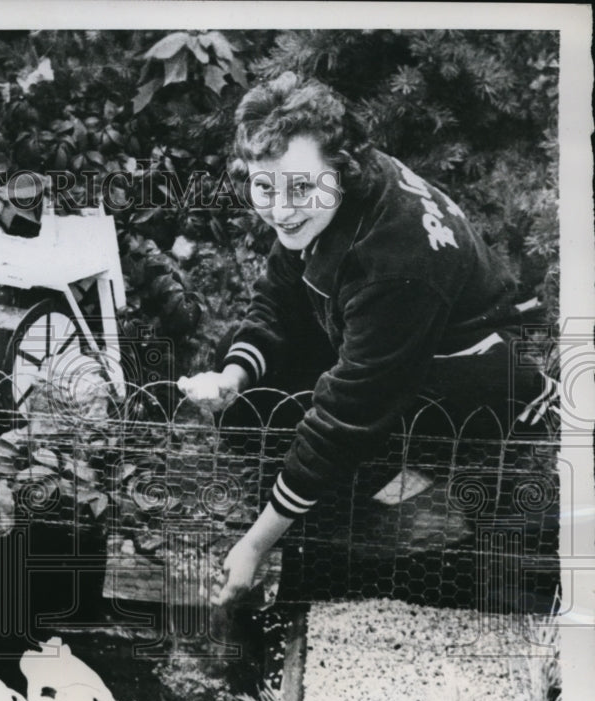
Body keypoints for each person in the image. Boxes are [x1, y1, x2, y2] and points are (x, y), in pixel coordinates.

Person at [179, 72, 556, 606]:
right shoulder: (328, 190)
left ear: (341, 168)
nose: (281, 208)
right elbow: (276, 301)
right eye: (264, 187)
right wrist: (231, 378)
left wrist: (255, 546)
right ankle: (330, 497)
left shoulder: (393, 261)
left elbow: (344, 416)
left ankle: (411, 497)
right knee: (248, 396)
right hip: (394, 341)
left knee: (331, 466)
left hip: (475, 382)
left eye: (299, 189)